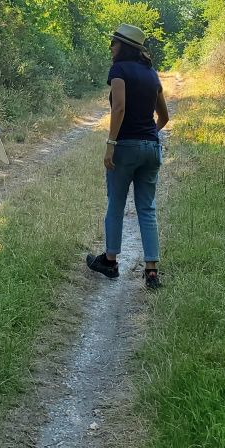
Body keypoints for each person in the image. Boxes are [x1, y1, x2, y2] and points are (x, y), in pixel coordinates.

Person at [86, 24, 170, 288]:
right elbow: (164, 117)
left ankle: (110, 262)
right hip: (151, 148)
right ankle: (152, 270)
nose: (110, 47)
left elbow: (119, 107)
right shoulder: (151, 74)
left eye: (113, 43)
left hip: (125, 148)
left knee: (116, 204)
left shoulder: (119, 70)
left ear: (123, 46)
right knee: (147, 208)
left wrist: (112, 143)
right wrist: (149, 136)